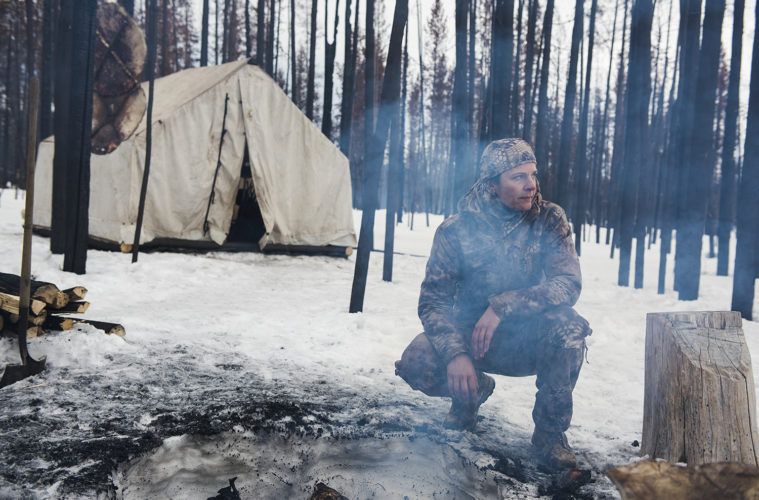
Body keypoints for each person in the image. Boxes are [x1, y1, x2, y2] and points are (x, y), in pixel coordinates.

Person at [394, 138, 591, 471]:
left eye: (533, 174)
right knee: (416, 360)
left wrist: (503, 306)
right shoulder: (455, 231)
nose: (532, 185)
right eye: (518, 177)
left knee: (570, 327)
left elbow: (567, 283)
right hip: (472, 340)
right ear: (491, 185)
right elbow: (432, 303)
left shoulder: (549, 219)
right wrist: (455, 354)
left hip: (529, 339)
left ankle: (549, 434)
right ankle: (470, 394)